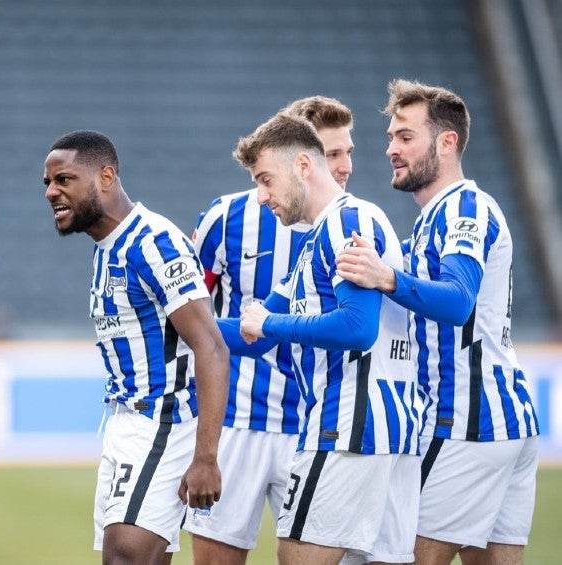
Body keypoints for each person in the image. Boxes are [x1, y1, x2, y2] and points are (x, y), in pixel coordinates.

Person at [335, 79, 540, 565]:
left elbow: (456, 303)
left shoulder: (465, 208)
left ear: (447, 142)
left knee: (395, 556)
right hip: (501, 418)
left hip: (466, 420)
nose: (391, 149)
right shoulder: (430, 221)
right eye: (390, 138)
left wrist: (388, 277)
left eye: (405, 137)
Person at [220, 112, 419, 565]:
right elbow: (251, 329)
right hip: (387, 426)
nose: (262, 195)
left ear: (304, 166)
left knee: (297, 555)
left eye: (266, 179)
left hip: (348, 423)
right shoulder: (316, 241)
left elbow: (356, 327)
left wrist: (269, 324)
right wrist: (175, 324)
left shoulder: (347, 220)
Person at [42, 130, 229, 564]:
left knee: (123, 557)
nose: (52, 192)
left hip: (161, 422)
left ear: (106, 176)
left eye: (64, 179)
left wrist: (205, 457)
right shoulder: (106, 248)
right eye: (48, 183)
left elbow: (212, 346)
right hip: (127, 424)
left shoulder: (153, 243)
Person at [185, 95, 355, 565]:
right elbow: (191, 313)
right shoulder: (227, 219)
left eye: (347, 153)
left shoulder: (351, 225)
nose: (344, 166)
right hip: (237, 421)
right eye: (333, 152)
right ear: (302, 155)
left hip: (318, 426)